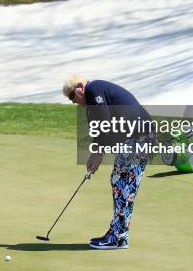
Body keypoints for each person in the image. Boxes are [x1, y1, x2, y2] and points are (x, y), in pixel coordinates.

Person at [62, 75, 152, 250]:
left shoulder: (94, 89)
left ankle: (118, 237)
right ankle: (118, 234)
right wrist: (96, 154)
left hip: (138, 138)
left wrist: (97, 154)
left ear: (80, 86)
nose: (73, 102)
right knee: (121, 183)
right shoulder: (92, 101)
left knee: (122, 183)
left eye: (72, 96)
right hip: (139, 137)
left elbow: (105, 123)